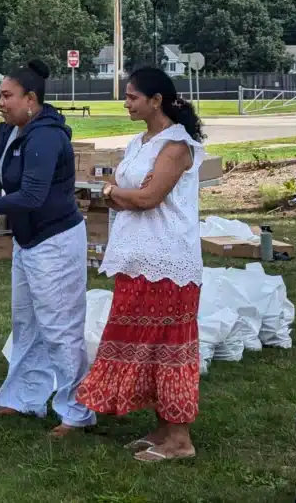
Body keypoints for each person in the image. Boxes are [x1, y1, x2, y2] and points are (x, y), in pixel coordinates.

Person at [0, 60, 95, 437]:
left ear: (30, 99)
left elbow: (30, 195)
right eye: (0, 95)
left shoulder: (46, 137)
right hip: (29, 242)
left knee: (60, 327)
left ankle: (76, 411)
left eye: (6, 95)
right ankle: (24, 397)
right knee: (26, 323)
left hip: (55, 241)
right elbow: (5, 176)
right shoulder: (13, 130)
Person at [76, 67, 205, 462]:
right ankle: (164, 428)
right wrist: (124, 191)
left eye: (133, 97)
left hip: (168, 261)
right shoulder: (139, 142)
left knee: (170, 347)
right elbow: (127, 190)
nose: (126, 102)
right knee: (143, 345)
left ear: (156, 101)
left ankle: (180, 439)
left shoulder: (177, 145)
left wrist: (119, 192)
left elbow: (148, 198)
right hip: (136, 260)